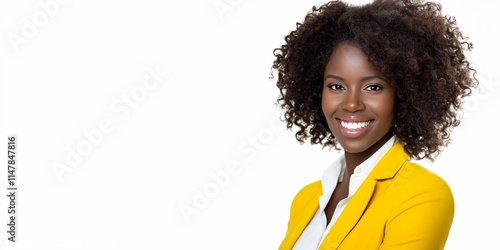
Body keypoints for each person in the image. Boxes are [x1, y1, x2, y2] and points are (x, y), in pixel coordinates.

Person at [271, 0, 477, 249]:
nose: (351, 104)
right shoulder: (306, 199)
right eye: (336, 86)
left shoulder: (421, 194)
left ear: (403, 93)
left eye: (373, 87)